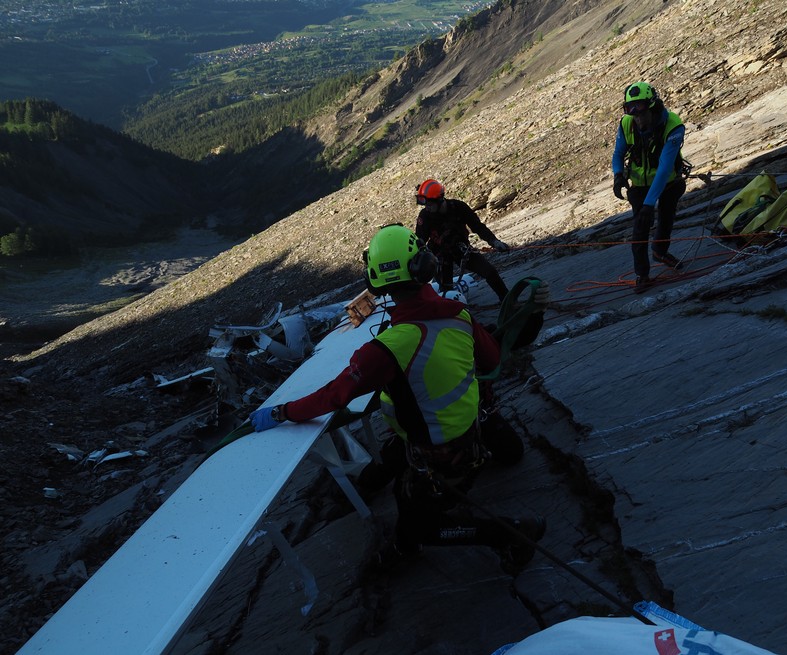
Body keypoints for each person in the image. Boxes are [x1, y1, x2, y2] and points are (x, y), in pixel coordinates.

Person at [249, 225, 547, 574]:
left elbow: (334, 396)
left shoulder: (386, 349)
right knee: (396, 466)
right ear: (424, 267)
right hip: (468, 434)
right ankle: (392, 520)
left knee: (418, 520)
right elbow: (493, 361)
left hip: (439, 454)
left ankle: (511, 533)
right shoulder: (458, 316)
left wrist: (283, 412)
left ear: (376, 281)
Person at [611, 81, 687, 292]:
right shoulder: (627, 123)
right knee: (640, 228)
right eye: (630, 110)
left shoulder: (673, 126)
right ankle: (642, 275)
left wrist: (649, 203)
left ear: (652, 106)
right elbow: (618, 153)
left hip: (669, 181)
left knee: (666, 215)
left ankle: (660, 251)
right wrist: (618, 175)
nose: (637, 116)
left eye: (641, 110)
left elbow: (664, 168)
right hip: (640, 184)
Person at [415, 178, 510, 303]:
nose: (427, 207)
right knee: (446, 290)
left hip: (461, 250)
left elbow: (478, 227)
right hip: (439, 257)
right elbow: (420, 241)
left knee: (490, 272)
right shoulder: (425, 216)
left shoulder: (459, 207)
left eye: (429, 204)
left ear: (439, 200)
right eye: (425, 204)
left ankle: (507, 300)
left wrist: (494, 242)